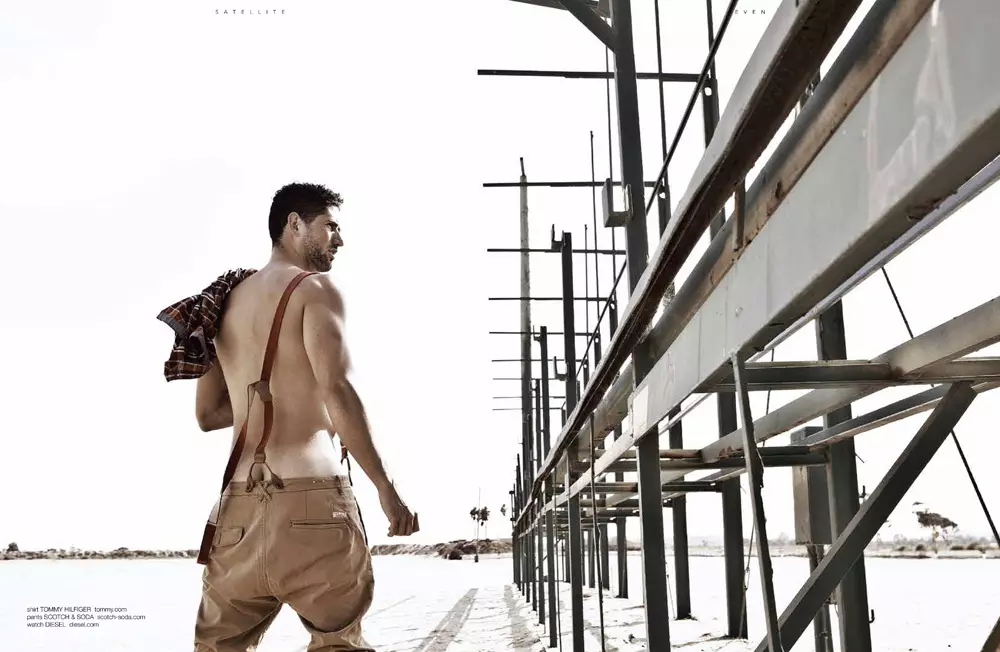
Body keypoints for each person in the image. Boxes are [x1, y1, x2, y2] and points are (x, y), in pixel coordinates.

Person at [160, 182, 417, 652]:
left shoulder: (221, 300)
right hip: (312, 503)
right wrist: (386, 487)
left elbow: (209, 414)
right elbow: (337, 388)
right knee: (337, 642)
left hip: (236, 509)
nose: (339, 239)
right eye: (331, 226)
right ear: (294, 224)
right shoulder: (315, 289)